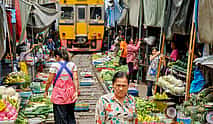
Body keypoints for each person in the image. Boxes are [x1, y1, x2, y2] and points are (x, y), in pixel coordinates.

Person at [44, 49, 79, 124]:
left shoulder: (55, 66)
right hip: (70, 94)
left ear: (57, 56)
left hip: (59, 95)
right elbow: (75, 78)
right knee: (70, 116)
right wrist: (76, 91)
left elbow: (49, 80)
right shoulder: (72, 65)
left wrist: (46, 90)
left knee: (60, 117)